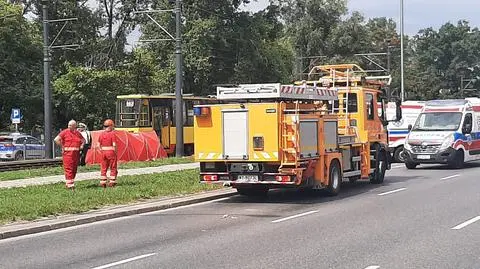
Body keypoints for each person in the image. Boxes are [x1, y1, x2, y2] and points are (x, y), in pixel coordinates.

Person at [54, 120, 85, 190]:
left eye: (71, 125)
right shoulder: (65, 132)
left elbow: (83, 140)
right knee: (69, 169)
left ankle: (69, 182)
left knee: (74, 169)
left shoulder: (77, 133)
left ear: (75, 126)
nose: (69, 126)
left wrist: (82, 146)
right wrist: (62, 146)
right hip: (67, 154)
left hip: (76, 154)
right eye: (68, 125)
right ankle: (70, 185)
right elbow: (56, 139)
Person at [97, 119, 118, 188]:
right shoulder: (112, 134)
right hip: (111, 152)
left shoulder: (101, 134)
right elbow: (114, 144)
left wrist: (102, 151)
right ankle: (112, 182)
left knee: (103, 167)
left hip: (103, 153)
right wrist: (115, 152)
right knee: (113, 167)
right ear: (111, 126)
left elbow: (98, 145)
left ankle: (103, 182)